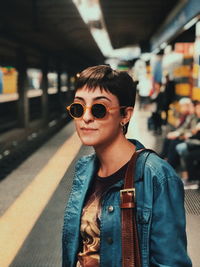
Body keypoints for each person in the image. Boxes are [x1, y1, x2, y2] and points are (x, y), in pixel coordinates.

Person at [62, 65, 192, 267]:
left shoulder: (156, 176)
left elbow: (171, 262)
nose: (86, 118)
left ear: (125, 115)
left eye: (99, 109)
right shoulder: (85, 169)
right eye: (79, 108)